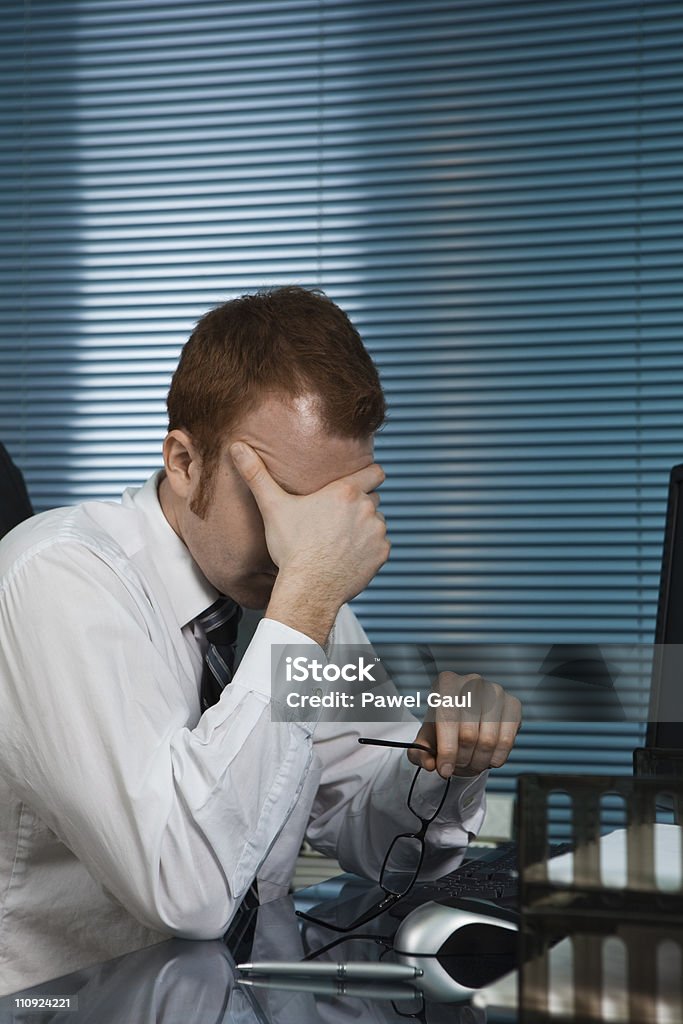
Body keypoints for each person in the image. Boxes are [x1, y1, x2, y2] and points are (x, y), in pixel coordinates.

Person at [0, 286, 521, 995]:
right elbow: (185, 892)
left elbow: (382, 845)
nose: (301, 541)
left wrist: (439, 763)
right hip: (71, 1007)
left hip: (241, 1002)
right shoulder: (58, 575)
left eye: (329, 510)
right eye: (279, 500)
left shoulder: (296, 594)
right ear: (185, 462)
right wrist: (305, 596)